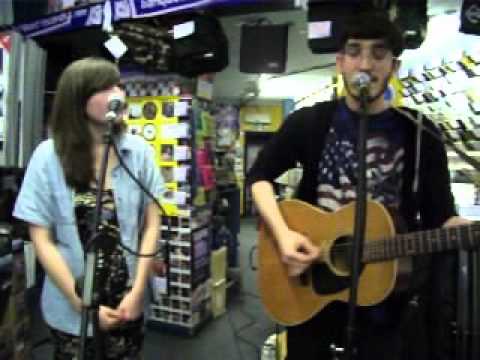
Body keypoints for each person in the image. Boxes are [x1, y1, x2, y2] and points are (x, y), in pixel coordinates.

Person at [248, 12, 470, 360]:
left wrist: (464, 232)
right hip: (312, 292)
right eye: (355, 51)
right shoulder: (309, 122)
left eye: (378, 53)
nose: (365, 63)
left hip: (386, 303)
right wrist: (284, 234)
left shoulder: (421, 133)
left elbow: (441, 216)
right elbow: (258, 178)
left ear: (393, 66)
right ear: (340, 62)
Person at [13, 57, 164, 359]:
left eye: (119, 86)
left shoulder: (139, 152)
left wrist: (136, 294)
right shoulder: (47, 157)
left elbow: (152, 223)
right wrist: (77, 298)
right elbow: (41, 238)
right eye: (105, 88)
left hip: (127, 303)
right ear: (78, 98)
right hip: (70, 306)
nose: (118, 94)